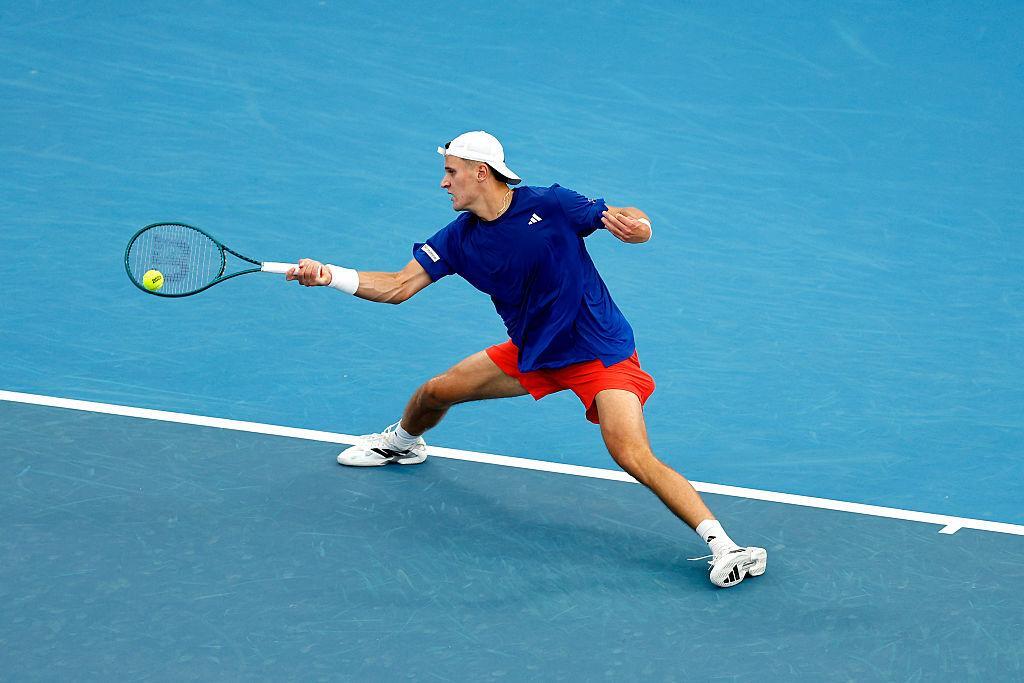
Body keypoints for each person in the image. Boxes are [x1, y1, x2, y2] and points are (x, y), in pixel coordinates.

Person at [287, 131, 766, 588]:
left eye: (451, 171)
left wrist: (637, 227)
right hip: (534, 351)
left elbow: (626, 215)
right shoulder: (459, 238)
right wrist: (329, 275)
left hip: (599, 352)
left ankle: (725, 547)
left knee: (630, 452)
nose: (443, 182)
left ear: (481, 172)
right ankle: (404, 443)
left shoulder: (551, 205)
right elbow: (397, 286)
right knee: (437, 391)